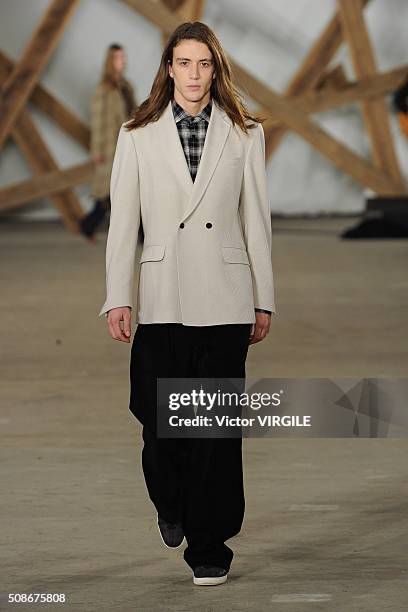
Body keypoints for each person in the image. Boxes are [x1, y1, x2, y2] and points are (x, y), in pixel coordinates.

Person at [98, 21, 276, 586]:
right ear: (168, 68)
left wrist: (263, 298)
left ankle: (210, 543)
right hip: (160, 297)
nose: (195, 75)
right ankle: (170, 503)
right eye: (184, 63)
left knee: (214, 428)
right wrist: (116, 297)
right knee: (157, 421)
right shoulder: (137, 133)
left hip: (224, 299)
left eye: (204, 64)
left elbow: (257, 222)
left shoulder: (245, 131)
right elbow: (124, 223)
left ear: (215, 68)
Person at [80, 43, 137, 241]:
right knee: (110, 194)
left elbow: (132, 112)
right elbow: (97, 121)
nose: (123, 61)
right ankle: (88, 225)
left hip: (127, 145)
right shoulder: (103, 89)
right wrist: (96, 150)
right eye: (118, 57)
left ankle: (88, 225)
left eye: (123, 57)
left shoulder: (125, 85)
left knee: (118, 193)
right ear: (110, 61)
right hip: (109, 148)